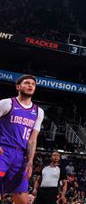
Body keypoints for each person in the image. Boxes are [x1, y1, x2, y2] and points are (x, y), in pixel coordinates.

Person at [0, 75, 43, 204]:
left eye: (33, 84)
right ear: (18, 87)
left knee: (22, 198)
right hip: (3, 151)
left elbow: (32, 140)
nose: (30, 85)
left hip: (20, 157)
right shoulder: (7, 103)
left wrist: (30, 162)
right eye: (27, 83)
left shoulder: (38, 111)